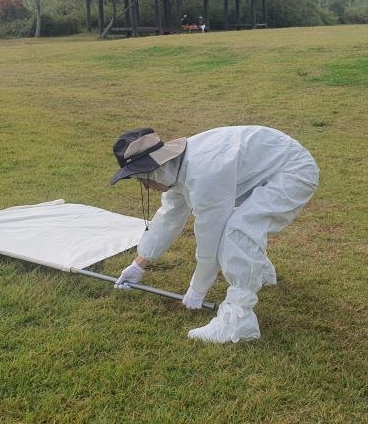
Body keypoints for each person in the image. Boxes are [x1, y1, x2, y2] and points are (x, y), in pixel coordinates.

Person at [110, 126, 319, 343]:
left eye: (142, 179)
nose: (145, 186)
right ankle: (261, 273)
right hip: (270, 167)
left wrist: (197, 289)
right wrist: (139, 263)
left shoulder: (203, 174)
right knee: (240, 224)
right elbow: (168, 218)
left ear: (156, 170)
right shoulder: (176, 169)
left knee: (237, 231)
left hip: (293, 171)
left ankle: (238, 322)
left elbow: (210, 238)